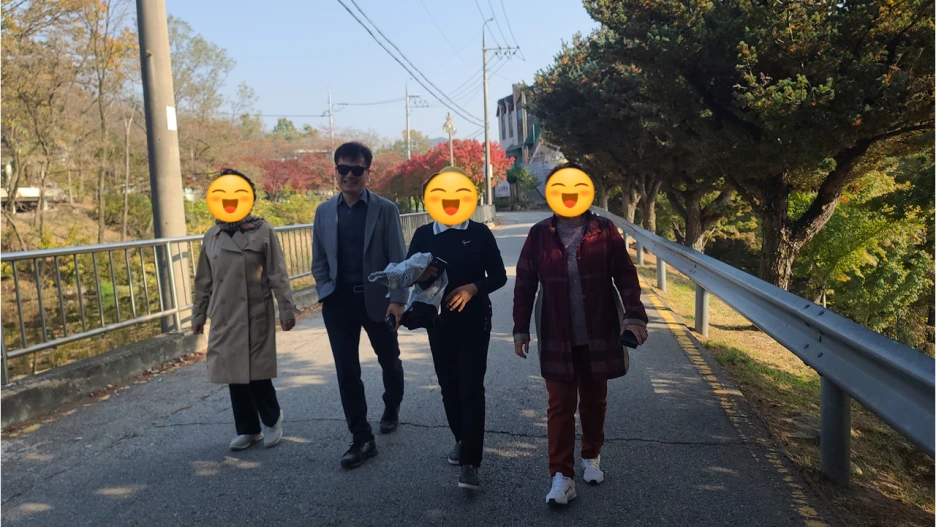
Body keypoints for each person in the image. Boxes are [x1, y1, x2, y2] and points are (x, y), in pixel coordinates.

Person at [512, 163, 649, 507]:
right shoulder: (539, 234)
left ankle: (591, 454)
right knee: (559, 404)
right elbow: (525, 282)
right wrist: (520, 328)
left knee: (594, 399)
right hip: (556, 331)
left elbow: (625, 274)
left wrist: (634, 315)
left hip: (599, 327)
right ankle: (561, 475)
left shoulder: (605, 230)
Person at [405, 168, 508, 490]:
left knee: (471, 388)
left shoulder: (479, 233)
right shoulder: (423, 234)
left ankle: (470, 462)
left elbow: (499, 275)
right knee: (448, 386)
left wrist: (473, 288)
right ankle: (462, 439)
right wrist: (418, 275)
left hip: (475, 320)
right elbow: (409, 273)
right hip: (438, 322)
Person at [311, 142, 408, 469]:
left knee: (389, 361)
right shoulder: (324, 211)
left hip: (379, 300)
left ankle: (392, 405)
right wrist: (324, 289)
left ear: (368, 172)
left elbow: (398, 258)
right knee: (347, 371)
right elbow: (319, 258)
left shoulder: (385, 209)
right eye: (343, 169)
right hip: (338, 302)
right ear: (336, 170)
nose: (349, 175)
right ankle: (361, 437)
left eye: (356, 169)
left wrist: (398, 300)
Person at [192, 168, 296, 451]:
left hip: (255, 312)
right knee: (233, 374)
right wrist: (198, 315)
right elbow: (203, 279)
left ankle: (272, 419)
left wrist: (286, 309)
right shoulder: (212, 235)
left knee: (257, 373)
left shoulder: (263, 231)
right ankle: (248, 429)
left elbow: (277, 273)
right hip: (224, 315)